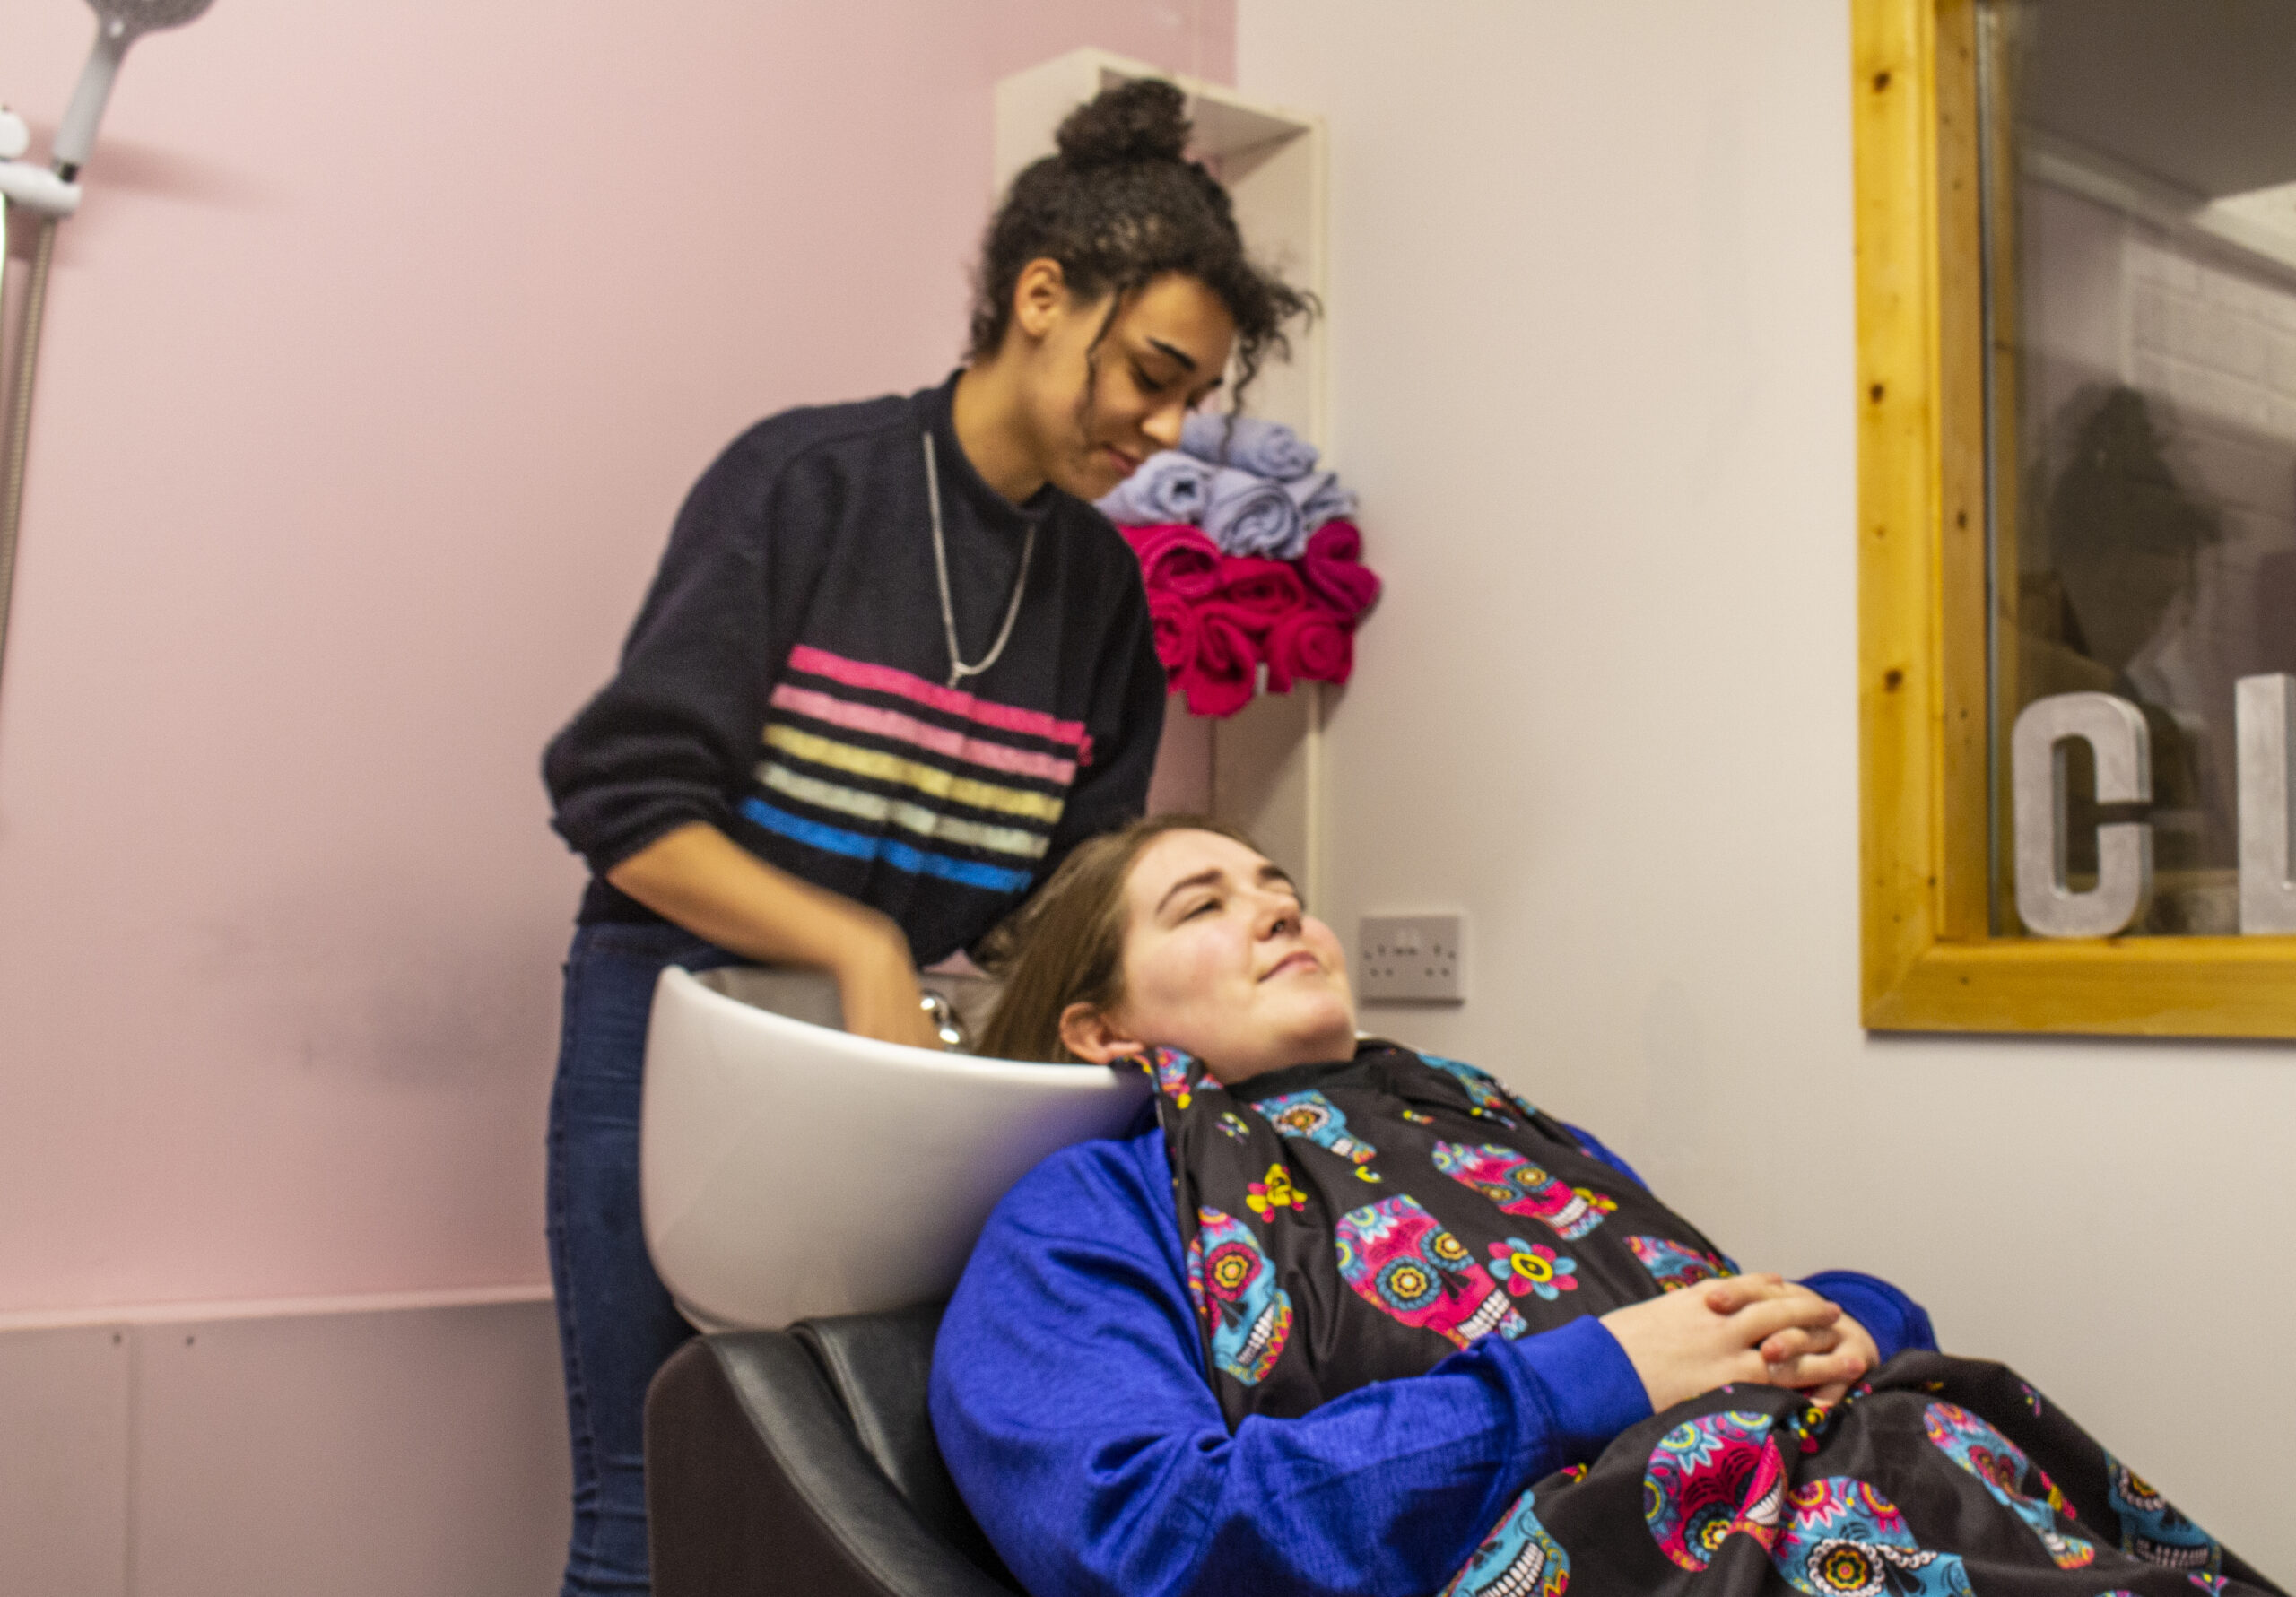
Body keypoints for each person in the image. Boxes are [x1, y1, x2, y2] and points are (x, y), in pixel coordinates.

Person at [537, 82, 1312, 1596]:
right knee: (645, 1498)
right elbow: (620, 805)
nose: (1165, 432)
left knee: (863, 1493)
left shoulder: (1103, 597)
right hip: (675, 1018)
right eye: (1150, 376)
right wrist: (859, 941)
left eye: (1192, 400)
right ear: (1042, 297)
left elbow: (1071, 897)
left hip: (903, 1069)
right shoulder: (810, 483)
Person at [934, 817, 2284, 1597]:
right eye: (1206, 906)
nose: (1282, 913)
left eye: (1284, 892)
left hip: (1896, 1485)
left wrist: (1860, 1313)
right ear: (1099, 1024)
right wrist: (1585, 1380)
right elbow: (1147, 1532)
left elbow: (1705, 1311)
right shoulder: (1086, 1213)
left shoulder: (1478, 1116)